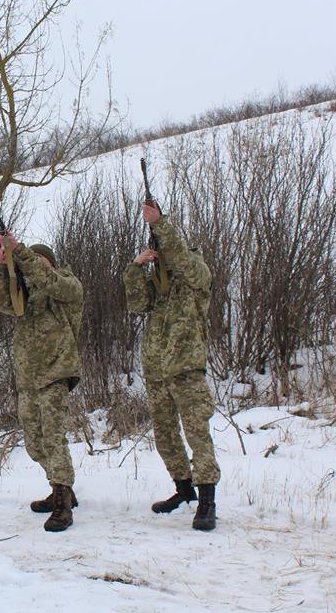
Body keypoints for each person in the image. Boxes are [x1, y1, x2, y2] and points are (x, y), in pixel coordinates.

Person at [123, 205, 220, 531]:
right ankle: (183, 490)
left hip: (186, 367)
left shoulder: (196, 274)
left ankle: (207, 501)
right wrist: (136, 268)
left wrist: (160, 224)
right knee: (165, 435)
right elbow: (137, 304)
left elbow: (183, 259)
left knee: (197, 434)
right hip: (157, 370)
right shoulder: (159, 284)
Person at [0, 234, 83, 532]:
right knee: (34, 442)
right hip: (28, 377)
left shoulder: (67, 286)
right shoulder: (28, 294)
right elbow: (2, 303)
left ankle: (62, 505)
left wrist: (22, 252)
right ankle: (62, 488)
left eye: (39, 260)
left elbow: (49, 280)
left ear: (51, 264)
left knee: (53, 437)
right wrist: (2, 268)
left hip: (55, 372)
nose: (33, 265)